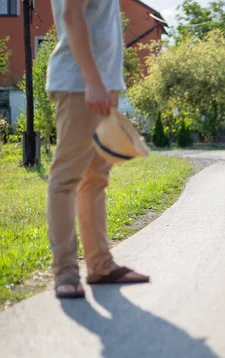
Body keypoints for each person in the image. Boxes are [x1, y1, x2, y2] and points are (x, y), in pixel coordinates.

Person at [46, 0, 149, 299]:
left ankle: (100, 266)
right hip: (81, 85)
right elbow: (71, 12)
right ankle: (65, 271)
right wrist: (92, 80)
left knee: (95, 179)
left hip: (101, 87)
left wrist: (108, 84)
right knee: (66, 179)